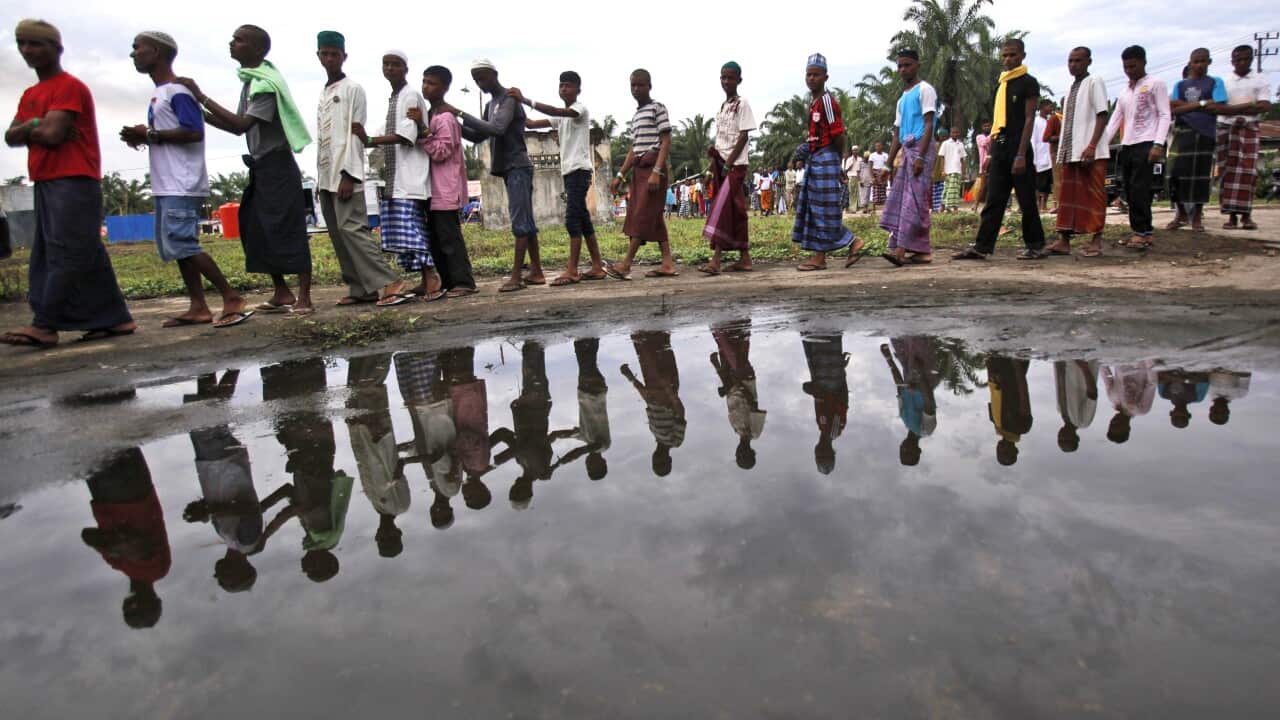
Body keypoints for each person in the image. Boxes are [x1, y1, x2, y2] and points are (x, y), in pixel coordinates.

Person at [4, 19, 135, 348]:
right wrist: (37, 122)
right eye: (22, 43)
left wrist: (32, 130)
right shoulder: (31, 94)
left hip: (74, 179)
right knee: (84, 250)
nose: (27, 50)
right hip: (47, 179)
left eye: (36, 43)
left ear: (56, 48)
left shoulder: (69, 87)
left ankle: (45, 324)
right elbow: (10, 136)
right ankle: (115, 318)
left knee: (64, 253)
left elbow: (51, 136)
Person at [178, 25, 314, 315]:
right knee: (257, 227)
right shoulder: (251, 82)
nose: (232, 43)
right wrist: (198, 112)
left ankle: (304, 297)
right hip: (261, 166)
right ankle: (282, 292)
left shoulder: (266, 85)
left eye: (238, 40)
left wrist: (201, 96)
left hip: (278, 165)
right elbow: (236, 127)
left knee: (289, 228)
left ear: (256, 49)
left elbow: (241, 125)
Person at [119, 32, 248, 329]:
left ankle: (231, 296)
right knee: (177, 247)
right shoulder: (160, 92)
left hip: (182, 181)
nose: (133, 54)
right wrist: (143, 137)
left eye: (137, 47)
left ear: (157, 51)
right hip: (167, 181)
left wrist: (150, 134)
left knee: (184, 243)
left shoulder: (178, 92)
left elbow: (194, 131)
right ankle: (198, 306)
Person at [311, 32, 403, 309]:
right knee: (338, 233)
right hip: (326, 175)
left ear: (343, 57)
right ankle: (360, 288)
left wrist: (350, 174)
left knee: (353, 229)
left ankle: (389, 280)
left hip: (345, 173)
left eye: (334, 54)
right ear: (318, 56)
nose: (328, 59)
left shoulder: (353, 89)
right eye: (324, 54)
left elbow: (355, 133)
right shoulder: (324, 91)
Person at [356, 50, 440, 304]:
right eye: (386, 64)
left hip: (410, 177)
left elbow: (407, 135)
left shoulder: (410, 95)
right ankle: (425, 280)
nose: (390, 69)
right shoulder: (395, 97)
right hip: (396, 178)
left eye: (395, 65)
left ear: (405, 69)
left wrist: (369, 140)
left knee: (410, 231)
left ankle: (432, 276)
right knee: (402, 232)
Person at [954, 39, 1048, 261]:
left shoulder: (1028, 83)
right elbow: (999, 122)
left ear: (1022, 56)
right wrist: (993, 154)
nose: (1008, 59)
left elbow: (1028, 120)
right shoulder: (1002, 85)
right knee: (994, 199)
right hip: (1001, 146)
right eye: (1005, 55)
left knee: (1026, 200)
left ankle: (1036, 245)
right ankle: (982, 246)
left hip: (1019, 147)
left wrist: (1021, 154)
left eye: (1013, 55)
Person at [454, 59, 543, 292]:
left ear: (494, 74)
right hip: (508, 167)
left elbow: (498, 128)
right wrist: (454, 123)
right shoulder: (491, 104)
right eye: (475, 80)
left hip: (517, 166)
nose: (479, 83)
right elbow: (478, 135)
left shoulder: (509, 98)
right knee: (526, 220)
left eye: (482, 78)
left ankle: (516, 277)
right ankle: (537, 272)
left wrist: (460, 112)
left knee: (520, 222)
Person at [80, 447, 170, 628]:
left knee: (89, 437)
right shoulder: (156, 570)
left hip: (106, 497)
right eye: (135, 609)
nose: (129, 605)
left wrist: (115, 546)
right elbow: (134, 544)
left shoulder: (120, 565)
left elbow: (86, 535)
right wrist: (111, 546)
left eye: (127, 610)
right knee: (114, 436)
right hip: (131, 494)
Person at [792, 53, 863, 271]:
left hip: (826, 158)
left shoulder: (826, 102)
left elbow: (838, 134)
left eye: (816, 75)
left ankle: (850, 242)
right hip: (816, 158)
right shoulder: (813, 103)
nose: (811, 78)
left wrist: (839, 162)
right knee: (815, 208)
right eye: (808, 74)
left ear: (825, 77)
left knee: (823, 209)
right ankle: (822, 256)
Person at [414, 65, 478, 297]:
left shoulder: (445, 118)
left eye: (431, 83)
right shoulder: (431, 115)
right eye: (424, 81)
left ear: (445, 87)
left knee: (450, 237)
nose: (425, 87)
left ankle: (464, 282)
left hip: (446, 188)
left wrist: (423, 134)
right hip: (433, 189)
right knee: (437, 237)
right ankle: (448, 282)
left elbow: (442, 151)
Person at [606, 69, 677, 280]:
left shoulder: (658, 108)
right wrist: (620, 175)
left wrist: (656, 171)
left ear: (649, 86)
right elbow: (634, 149)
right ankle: (667, 264)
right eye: (632, 85)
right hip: (638, 170)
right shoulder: (636, 116)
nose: (636, 89)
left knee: (641, 215)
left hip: (653, 168)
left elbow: (666, 141)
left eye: (640, 85)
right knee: (653, 217)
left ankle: (626, 264)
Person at [1102, 45, 1171, 251]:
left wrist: (1159, 143)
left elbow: (1165, 114)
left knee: (1141, 189)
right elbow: (1115, 120)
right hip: (1128, 144)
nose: (1129, 70)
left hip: (1147, 143)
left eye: (1133, 66)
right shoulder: (1124, 92)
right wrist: (1101, 145)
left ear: (1143, 62)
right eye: (1126, 67)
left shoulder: (1155, 84)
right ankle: (1141, 231)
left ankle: (1142, 232)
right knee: (1129, 190)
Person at [1044, 47, 1111, 258]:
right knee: (1069, 197)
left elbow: (1102, 115)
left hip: (1089, 151)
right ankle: (1064, 240)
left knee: (1094, 195)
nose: (1073, 65)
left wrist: (1091, 145)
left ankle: (1096, 240)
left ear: (1088, 62)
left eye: (1078, 61)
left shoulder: (1094, 82)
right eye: (1070, 61)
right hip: (1071, 152)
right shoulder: (1071, 88)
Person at [879, 48, 938, 267]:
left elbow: (929, 123)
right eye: (900, 66)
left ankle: (901, 251)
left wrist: (921, 157)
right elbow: (896, 134)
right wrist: (887, 165)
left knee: (912, 200)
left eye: (907, 65)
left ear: (917, 65)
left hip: (921, 148)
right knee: (908, 199)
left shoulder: (925, 90)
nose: (903, 69)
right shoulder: (902, 99)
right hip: (907, 150)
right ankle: (922, 251)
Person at [700, 61, 755, 275]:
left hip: (735, 166)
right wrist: (710, 170)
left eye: (730, 78)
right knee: (735, 211)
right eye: (723, 77)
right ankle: (745, 258)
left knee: (721, 208)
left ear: (739, 80)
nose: (726, 81)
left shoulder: (742, 104)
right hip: (721, 165)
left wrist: (729, 164)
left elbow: (743, 136)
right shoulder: (723, 108)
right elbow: (721, 142)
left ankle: (716, 259)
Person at [1167, 49, 1227, 232]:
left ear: (1209, 62)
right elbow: (1172, 108)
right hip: (1182, 132)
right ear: (1190, 62)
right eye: (1196, 61)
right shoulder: (1181, 84)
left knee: (1200, 176)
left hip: (1205, 132)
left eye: (1203, 61)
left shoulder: (1215, 82)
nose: (1199, 64)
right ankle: (1181, 214)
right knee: (1175, 174)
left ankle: (1197, 217)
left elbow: (1218, 105)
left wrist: (1185, 107)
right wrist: (1202, 104)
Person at [1216, 45, 1272, 230]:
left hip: (1249, 127)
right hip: (1227, 128)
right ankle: (1231, 216)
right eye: (1237, 59)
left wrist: (1235, 109)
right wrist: (1248, 106)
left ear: (1251, 59)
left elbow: (1264, 106)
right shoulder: (1224, 81)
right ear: (1232, 61)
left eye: (1245, 59)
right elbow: (1219, 107)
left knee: (1249, 172)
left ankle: (1246, 215)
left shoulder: (1260, 80)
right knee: (1227, 171)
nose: (1241, 63)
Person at [621, 331, 686, 476]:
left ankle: (650, 320)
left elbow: (649, 402)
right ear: (669, 460)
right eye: (662, 462)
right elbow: (680, 412)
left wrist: (631, 378)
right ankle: (659, 317)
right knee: (661, 346)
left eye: (656, 462)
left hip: (652, 384)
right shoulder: (676, 441)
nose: (658, 459)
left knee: (644, 346)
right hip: (666, 386)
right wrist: (669, 389)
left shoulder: (655, 433)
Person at [710, 320, 766, 469]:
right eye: (744, 455)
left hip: (733, 379)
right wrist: (739, 384)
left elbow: (731, 396)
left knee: (725, 346)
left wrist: (717, 368)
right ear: (751, 453)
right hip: (744, 379)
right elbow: (752, 403)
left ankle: (728, 317)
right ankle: (740, 316)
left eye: (739, 455)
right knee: (730, 344)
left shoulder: (736, 429)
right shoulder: (755, 432)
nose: (740, 452)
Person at [880, 337, 939, 466]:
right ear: (918, 451)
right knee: (917, 335)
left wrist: (889, 359)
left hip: (908, 368)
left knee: (898, 334)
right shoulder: (926, 430)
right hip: (924, 374)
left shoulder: (904, 418)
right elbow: (928, 400)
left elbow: (900, 387)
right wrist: (920, 374)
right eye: (909, 453)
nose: (905, 449)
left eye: (903, 452)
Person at [800, 332, 847, 474]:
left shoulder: (823, 428)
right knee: (827, 339)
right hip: (830, 377)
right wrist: (817, 392)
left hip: (822, 376)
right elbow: (842, 403)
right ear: (831, 452)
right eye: (824, 454)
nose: (820, 451)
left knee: (817, 340)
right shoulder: (833, 431)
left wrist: (814, 391)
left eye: (819, 455)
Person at [986, 355, 1032, 467]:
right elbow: (1023, 396)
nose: (1002, 449)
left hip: (997, 367)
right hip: (1013, 369)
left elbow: (992, 391)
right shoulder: (1022, 427)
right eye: (1006, 452)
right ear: (1015, 451)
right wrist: (1016, 365)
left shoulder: (995, 423)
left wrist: (988, 365)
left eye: (999, 452)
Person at [1101, 361, 1156, 444]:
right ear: (1128, 428)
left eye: (1112, 424)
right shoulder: (1140, 409)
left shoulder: (1112, 399)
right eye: (1118, 425)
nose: (1115, 421)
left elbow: (1106, 374)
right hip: (1140, 361)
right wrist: (1149, 361)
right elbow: (1151, 383)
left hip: (1120, 358)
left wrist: (1099, 359)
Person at [1053, 360, 1099, 453]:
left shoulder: (1061, 412)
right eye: (1066, 440)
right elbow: (1092, 395)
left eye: (1060, 440)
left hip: (1065, 362)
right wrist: (1084, 367)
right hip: (1080, 365)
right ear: (1076, 438)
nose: (1062, 437)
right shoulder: (1083, 421)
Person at [1032, 99, 1054, 212]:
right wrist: (1034, 160)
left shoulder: (1050, 121)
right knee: (1039, 183)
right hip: (1039, 157)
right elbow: (1033, 140)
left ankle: (1044, 205)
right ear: (1043, 107)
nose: (1051, 108)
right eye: (1049, 106)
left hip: (1050, 157)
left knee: (1047, 184)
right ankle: (1038, 205)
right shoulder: (1036, 121)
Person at [940, 126, 966, 212]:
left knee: (954, 190)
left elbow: (962, 160)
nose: (955, 134)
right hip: (948, 170)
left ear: (959, 133)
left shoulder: (961, 144)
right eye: (953, 132)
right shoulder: (945, 143)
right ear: (950, 134)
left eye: (956, 132)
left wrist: (963, 172)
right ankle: (944, 207)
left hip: (957, 171)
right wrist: (942, 170)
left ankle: (954, 208)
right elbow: (942, 158)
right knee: (946, 189)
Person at [1042, 99, 1063, 209]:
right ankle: (1058, 204)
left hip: (1069, 152)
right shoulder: (1055, 118)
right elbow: (1045, 138)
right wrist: (1062, 137)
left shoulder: (1070, 118)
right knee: (1058, 178)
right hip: (1056, 152)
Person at [973, 119, 992, 209]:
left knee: (991, 186)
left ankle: (987, 205)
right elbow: (984, 142)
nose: (987, 127)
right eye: (985, 126)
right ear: (982, 127)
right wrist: (993, 135)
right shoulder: (979, 137)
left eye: (988, 126)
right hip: (984, 163)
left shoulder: (994, 136)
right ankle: (976, 205)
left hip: (993, 163)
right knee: (982, 186)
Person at [869, 141, 889, 208]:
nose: (878, 147)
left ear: (882, 146)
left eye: (879, 146)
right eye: (877, 146)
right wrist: (872, 177)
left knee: (883, 190)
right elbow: (870, 167)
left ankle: (884, 208)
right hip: (875, 172)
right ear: (875, 147)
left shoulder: (885, 155)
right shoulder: (872, 155)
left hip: (883, 172)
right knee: (875, 190)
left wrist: (886, 176)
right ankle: (874, 208)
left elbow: (887, 165)